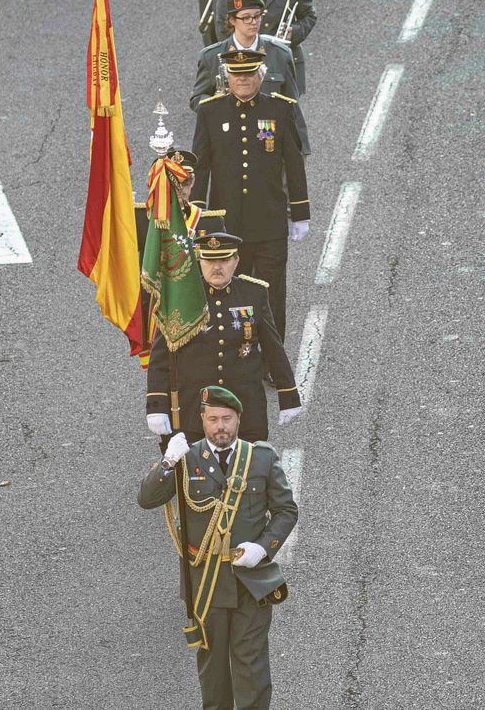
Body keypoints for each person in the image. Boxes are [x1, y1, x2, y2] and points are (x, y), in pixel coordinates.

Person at [137, 385, 296, 710]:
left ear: (238, 419)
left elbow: (286, 511)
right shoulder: (187, 457)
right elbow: (147, 500)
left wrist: (263, 549)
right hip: (206, 582)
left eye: (226, 418)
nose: (220, 426)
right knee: (213, 674)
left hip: (250, 580)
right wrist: (167, 463)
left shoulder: (260, 458)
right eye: (213, 419)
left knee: (251, 668)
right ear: (203, 420)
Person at [190, 48, 309, 335]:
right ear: (227, 77)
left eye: (248, 74)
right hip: (228, 226)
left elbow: (293, 165)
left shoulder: (280, 110)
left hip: (269, 223)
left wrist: (300, 212)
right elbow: (201, 167)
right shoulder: (210, 112)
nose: (243, 80)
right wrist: (195, 213)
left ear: (260, 75)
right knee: (232, 294)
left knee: (271, 293)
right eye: (236, 74)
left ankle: (272, 357)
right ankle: (239, 354)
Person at [144, 230, 300, 442]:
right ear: (199, 260)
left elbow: (273, 349)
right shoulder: (181, 298)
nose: (216, 267)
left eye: (224, 260)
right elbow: (161, 356)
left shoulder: (253, 294)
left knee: (250, 471)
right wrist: (157, 405)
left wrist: (288, 394)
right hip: (193, 411)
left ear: (236, 260)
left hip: (246, 410)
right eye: (209, 260)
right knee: (194, 474)